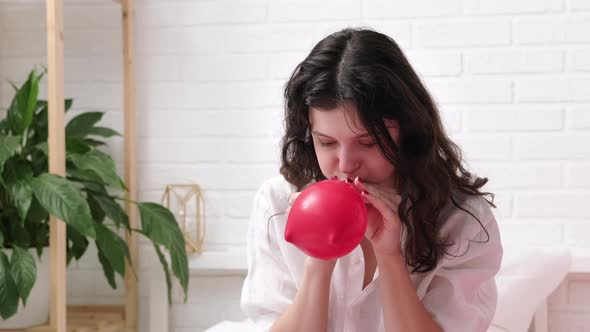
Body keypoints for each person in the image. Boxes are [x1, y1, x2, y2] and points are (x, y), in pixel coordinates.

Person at [240, 28, 503, 332]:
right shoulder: (277, 203)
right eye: (326, 142)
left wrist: (390, 255)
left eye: (367, 143)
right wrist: (318, 263)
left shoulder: (461, 220)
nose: (346, 164)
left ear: (408, 131)